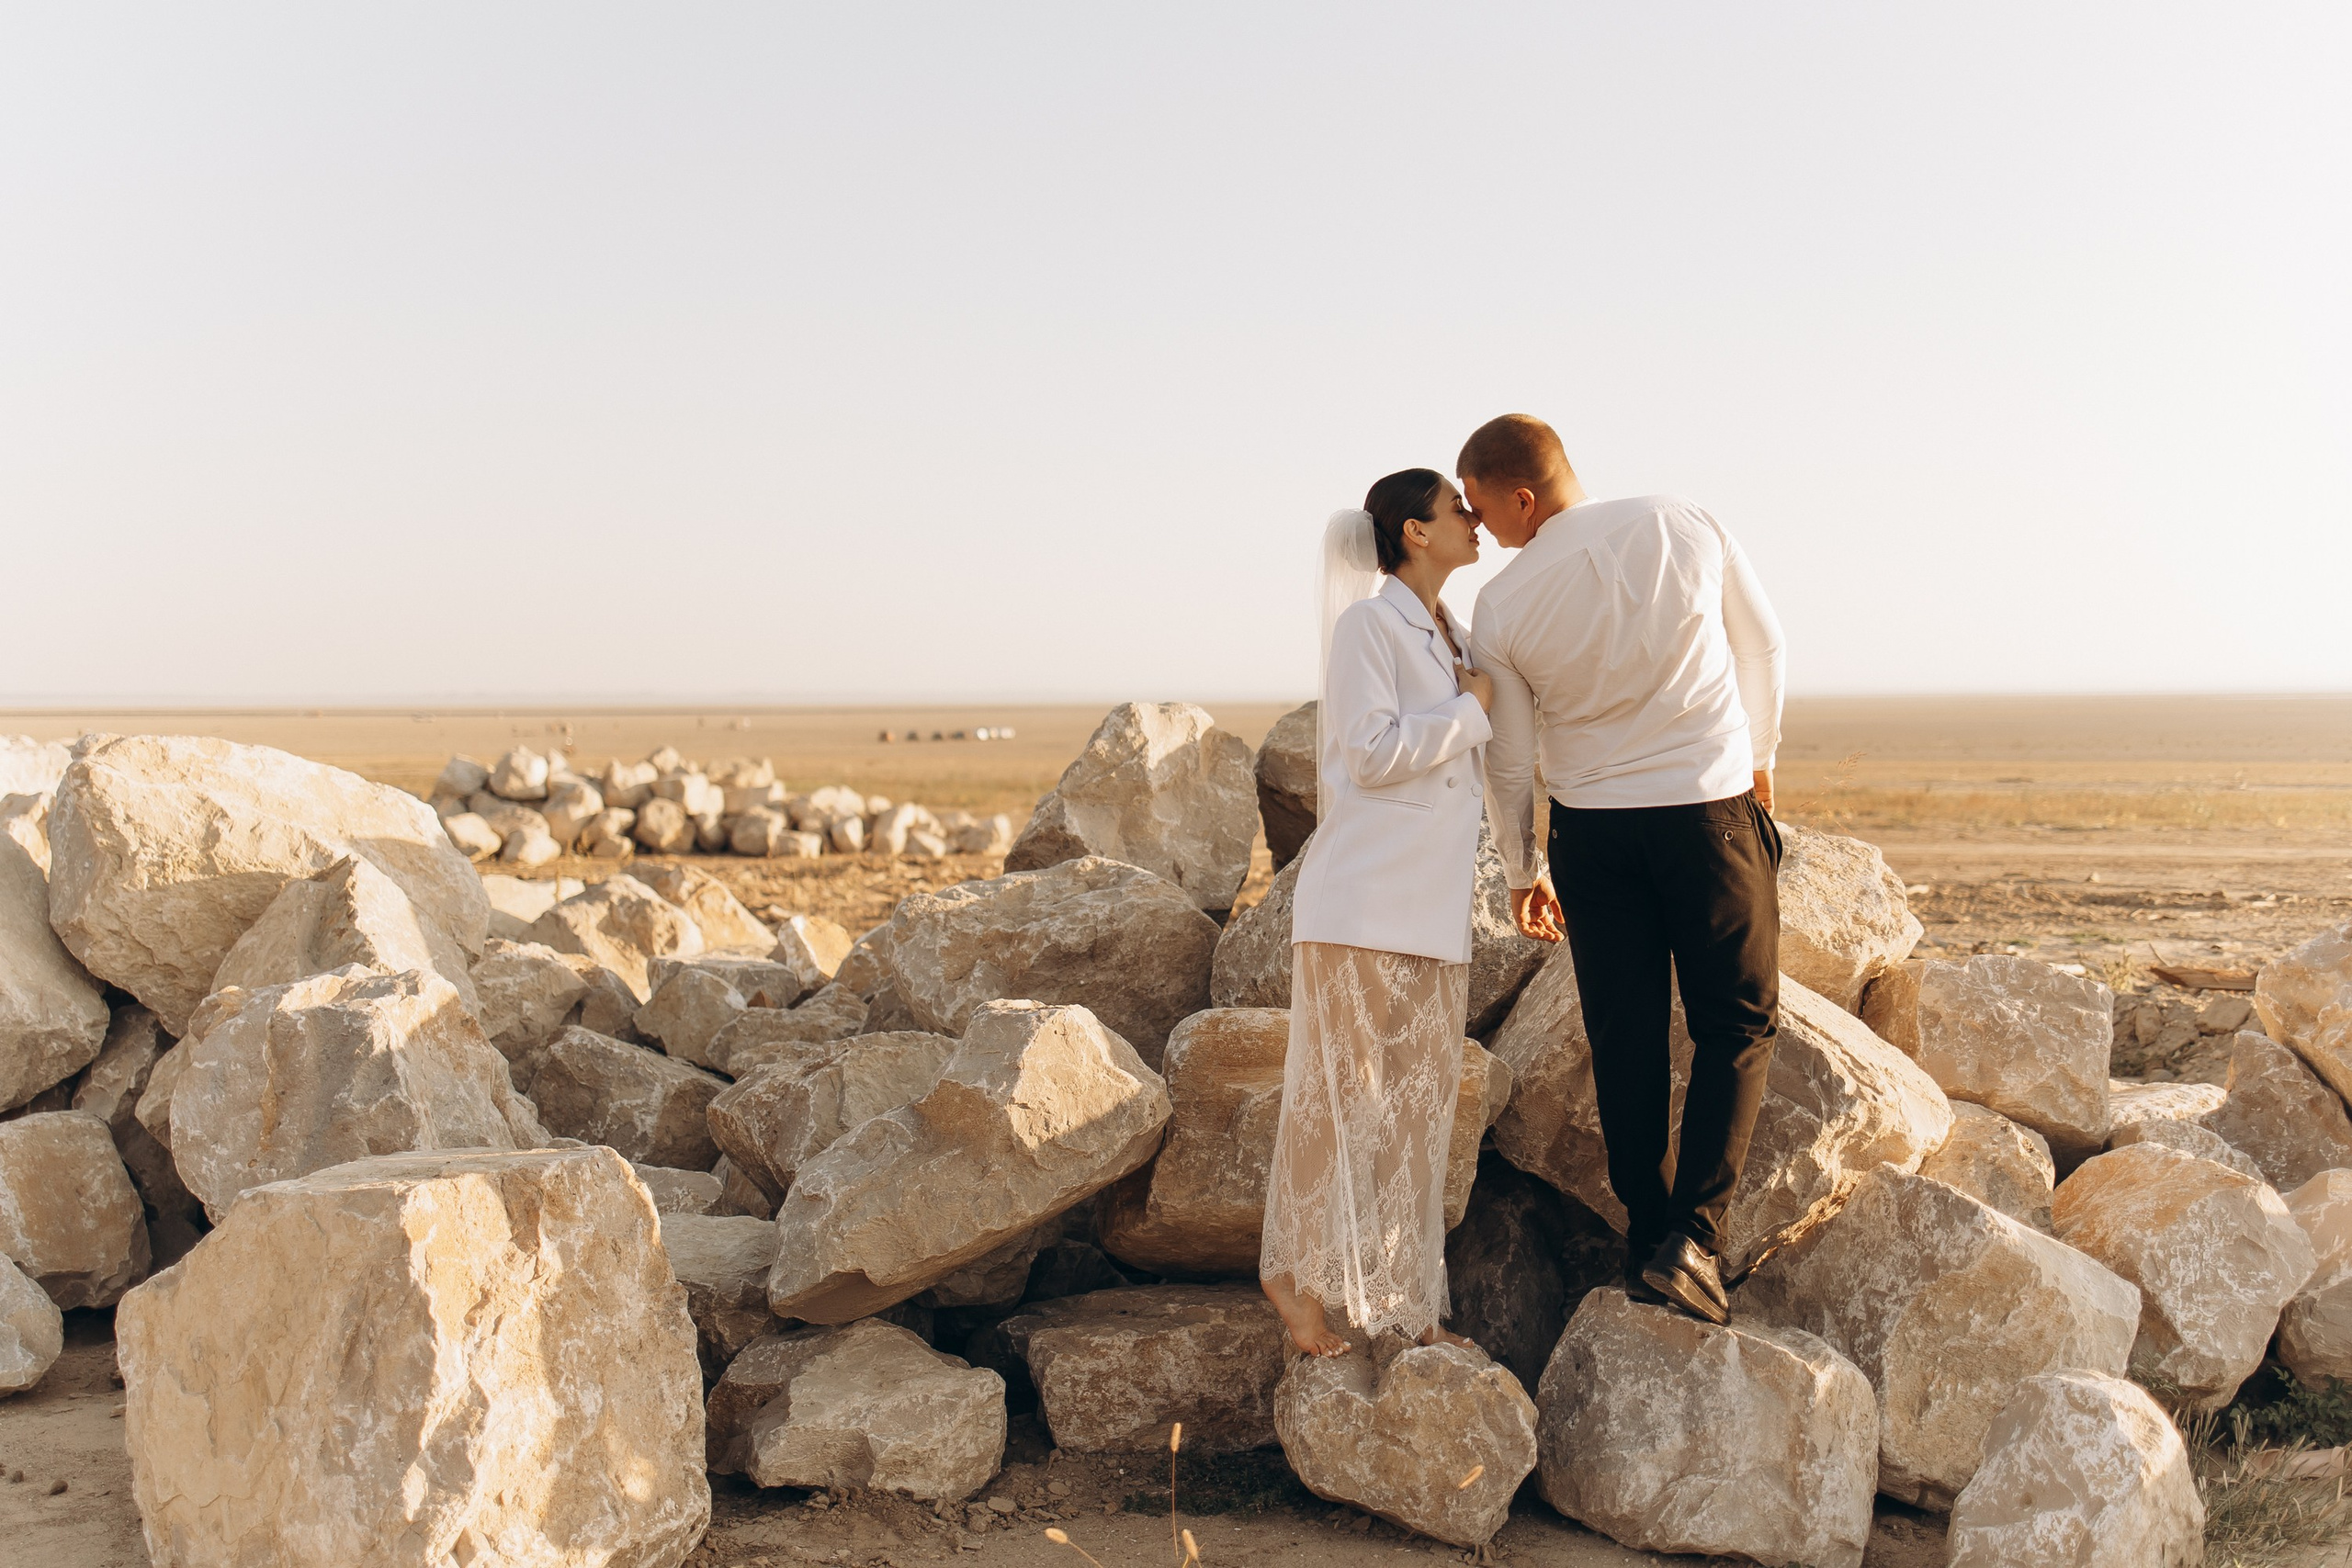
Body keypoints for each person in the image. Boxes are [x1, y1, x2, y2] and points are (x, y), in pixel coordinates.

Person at [1462, 413, 1786, 1325]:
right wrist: (1760, 754)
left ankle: (1649, 1239)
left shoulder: (1502, 604)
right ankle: (1696, 1241)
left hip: (1594, 834)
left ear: (1523, 498)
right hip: (1707, 812)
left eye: (1484, 513)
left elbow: (1509, 754)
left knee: (1626, 1036)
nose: (1482, 532)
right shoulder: (1685, 521)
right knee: (1737, 1022)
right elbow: (1763, 645)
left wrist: (1524, 866)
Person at [1260, 468, 1495, 1357]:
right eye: (1456, 509)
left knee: (1414, 1106)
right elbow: (1367, 753)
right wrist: (1471, 711)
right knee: (1333, 1098)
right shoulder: (1370, 624)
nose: (1474, 520)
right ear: (1413, 532)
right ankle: (1291, 1276)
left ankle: (1400, 1303)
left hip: (1430, 906)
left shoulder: (1458, 634)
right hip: (1360, 898)